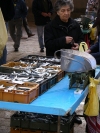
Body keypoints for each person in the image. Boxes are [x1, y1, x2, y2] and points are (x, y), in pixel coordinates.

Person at [44, 0, 84, 124]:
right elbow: (48, 44)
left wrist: (79, 45)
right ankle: (55, 115)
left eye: (68, 10)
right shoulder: (50, 26)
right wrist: (63, 41)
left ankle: (71, 114)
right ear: (57, 12)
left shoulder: (75, 25)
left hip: (73, 63)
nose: (66, 13)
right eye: (63, 10)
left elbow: (81, 39)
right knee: (56, 90)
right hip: (56, 63)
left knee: (71, 89)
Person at [0, 0, 15, 65]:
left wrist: (6, 19)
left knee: (2, 43)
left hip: (3, 22)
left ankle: (2, 64)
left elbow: (12, 10)